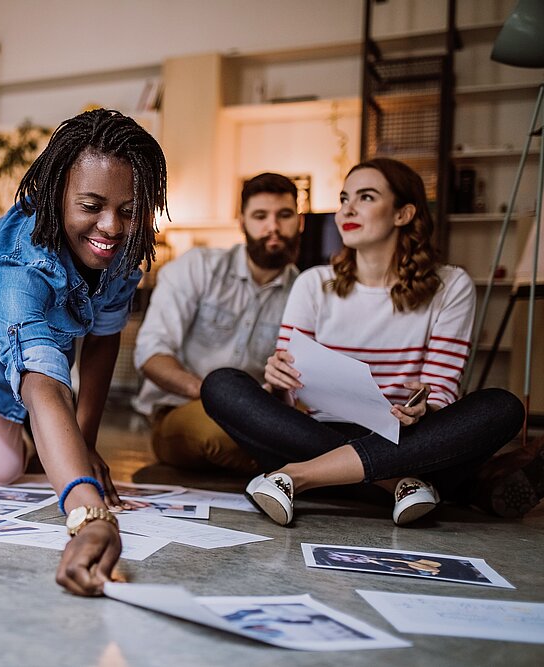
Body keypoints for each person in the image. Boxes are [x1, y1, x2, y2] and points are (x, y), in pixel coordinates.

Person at [202, 158, 525, 526]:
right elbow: (289, 403)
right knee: (222, 384)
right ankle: (404, 486)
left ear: (403, 213)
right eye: (343, 199)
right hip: (326, 435)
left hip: (404, 440)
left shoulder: (450, 286)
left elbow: (440, 394)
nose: (346, 210)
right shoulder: (314, 283)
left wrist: (425, 409)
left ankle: (297, 476)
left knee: (502, 406)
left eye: (366, 197)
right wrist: (278, 384)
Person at [0, 109, 168, 595]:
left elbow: (102, 339)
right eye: (91, 205)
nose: (112, 228)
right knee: (3, 468)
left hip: (48, 308)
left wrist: (86, 442)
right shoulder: (22, 262)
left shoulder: (120, 248)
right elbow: (43, 381)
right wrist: (88, 513)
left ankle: (54, 442)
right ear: (56, 196)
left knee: (59, 434)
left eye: (128, 209)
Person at [133, 172, 301, 474]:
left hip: (263, 417)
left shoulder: (306, 292)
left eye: (284, 215)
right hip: (181, 409)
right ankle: (316, 469)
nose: (273, 227)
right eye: (260, 216)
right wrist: (221, 398)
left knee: (311, 428)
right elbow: (150, 354)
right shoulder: (197, 267)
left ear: (299, 222)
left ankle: (305, 468)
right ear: (242, 222)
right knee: (218, 436)